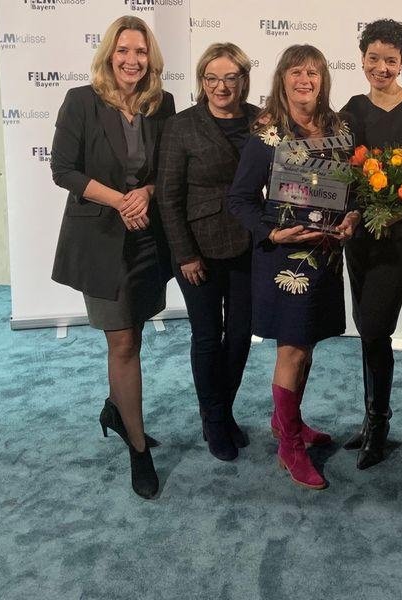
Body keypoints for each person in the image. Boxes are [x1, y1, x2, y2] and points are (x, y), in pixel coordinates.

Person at [50, 15, 175, 499]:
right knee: (122, 344)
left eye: (140, 52)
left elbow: (169, 169)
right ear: (108, 54)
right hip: (101, 241)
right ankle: (139, 449)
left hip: (147, 238)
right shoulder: (81, 101)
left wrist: (144, 191)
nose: (131, 60)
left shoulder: (161, 105)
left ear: (150, 58)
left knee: (134, 332)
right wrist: (120, 199)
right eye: (123, 51)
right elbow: (64, 170)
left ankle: (116, 410)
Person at [227, 45, 360, 490]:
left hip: (324, 256)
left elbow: (350, 191)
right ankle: (289, 445)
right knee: (293, 350)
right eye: (296, 72)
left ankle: (291, 422)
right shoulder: (266, 135)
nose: (306, 80)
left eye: (314, 72)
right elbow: (240, 200)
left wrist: (352, 219)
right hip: (283, 257)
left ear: (324, 79)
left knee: (308, 347)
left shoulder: (340, 129)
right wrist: (270, 233)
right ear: (281, 78)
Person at [157, 43, 258, 462]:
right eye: (212, 78)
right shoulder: (182, 126)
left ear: (242, 80)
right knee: (206, 336)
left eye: (230, 77)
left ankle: (225, 409)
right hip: (198, 248)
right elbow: (167, 197)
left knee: (238, 336)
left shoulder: (261, 121)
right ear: (201, 81)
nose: (221, 86)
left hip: (250, 242)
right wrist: (184, 255)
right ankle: (213, 418)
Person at [340, 19, 402, 470]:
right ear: (362, 58)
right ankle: (371, 416)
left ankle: (380, 424)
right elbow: (339, 170)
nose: (381, 67)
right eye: (373, 58)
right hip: (356, 236)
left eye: (390, 60)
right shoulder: (351, 107)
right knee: (365, 328)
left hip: (396, 238)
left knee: (375, 326)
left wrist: (378, 211)